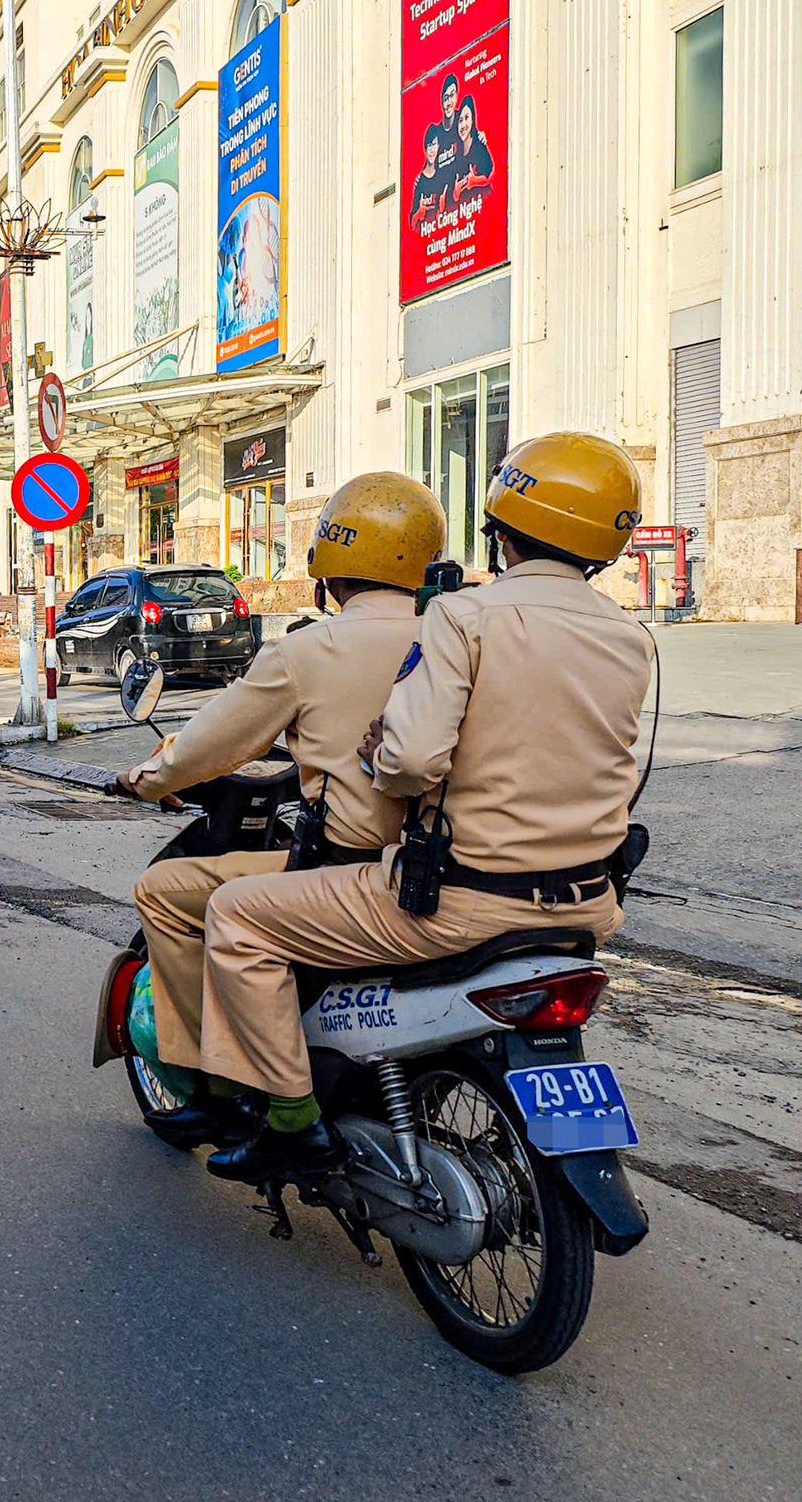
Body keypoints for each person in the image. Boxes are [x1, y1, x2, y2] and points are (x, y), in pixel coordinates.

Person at [197, 432, 655, 1184]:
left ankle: (291, 1125)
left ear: (503, 525)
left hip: (462, 902)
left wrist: (381, 747)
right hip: (585, 907)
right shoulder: (630, 638)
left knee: (238, 915)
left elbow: (410, 762)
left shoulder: (465, 617)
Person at [115, 474, 447, 1146]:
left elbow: (208, 746)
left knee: (166, 891)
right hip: (439, 864)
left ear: (327, 567)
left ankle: (218, 1080)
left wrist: (146, 779)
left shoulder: (306, 650)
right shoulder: (460, 639)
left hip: (345, 872)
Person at [450, 95, 495, 199]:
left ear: (472, 120)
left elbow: (491, 175)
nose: (463, 124)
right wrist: (456, 192)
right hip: (464, 212)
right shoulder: (456, 156)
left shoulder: (479, 145)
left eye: (467, 118)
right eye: (460, 120)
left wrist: (476, 181)